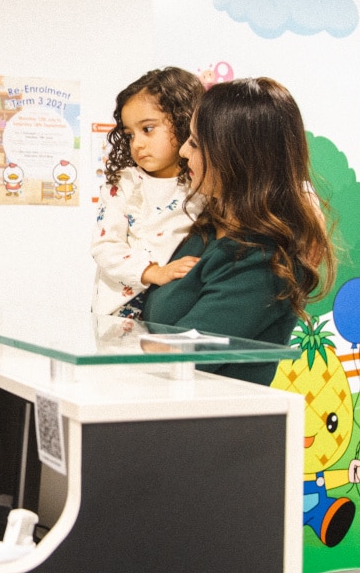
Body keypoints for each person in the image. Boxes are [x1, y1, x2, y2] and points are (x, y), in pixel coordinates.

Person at [143, 77, 336, 384]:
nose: (182, 151)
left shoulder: (264, 261)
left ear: (232, 156)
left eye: (194, 142)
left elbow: (179, 356)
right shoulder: (208, 228)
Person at [91, 66, 207, 319]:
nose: (138, 144)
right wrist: (153, 272)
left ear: (184, 121)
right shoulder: (124, 183)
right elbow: (105, 246)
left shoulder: (203, 184)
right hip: (120, 313)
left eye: (148, 129)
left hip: (178, 308)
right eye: (130, 135)